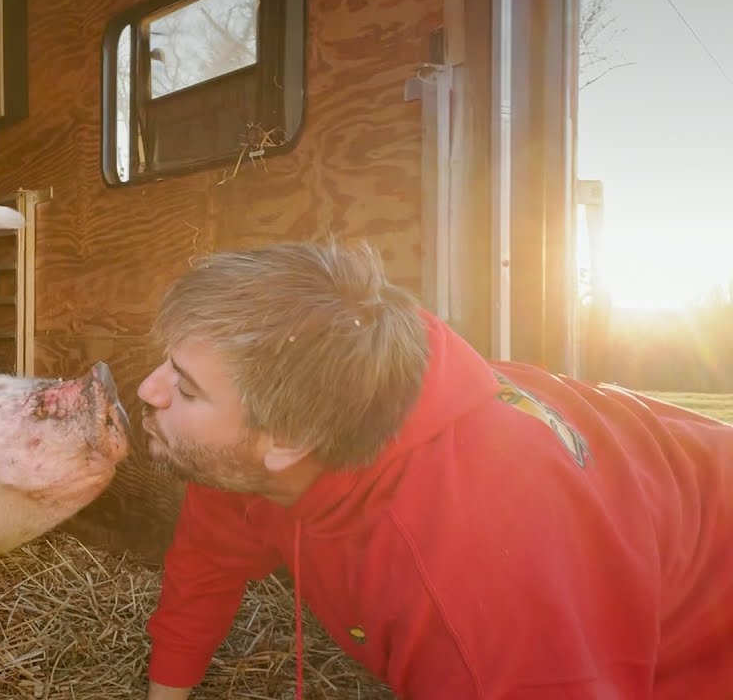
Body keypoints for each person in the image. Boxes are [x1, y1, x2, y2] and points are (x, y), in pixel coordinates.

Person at [136, 240, 733, 700]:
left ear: (289, 440)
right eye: (170, 363)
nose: (147, 389)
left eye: (185, 391)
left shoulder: (476, 585)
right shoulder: (272, 440)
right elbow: (207, 564)